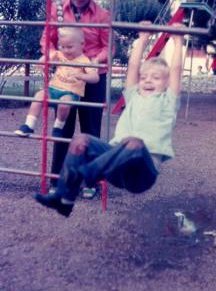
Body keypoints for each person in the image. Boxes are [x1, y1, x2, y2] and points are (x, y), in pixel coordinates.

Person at [34, 23, 185, 217]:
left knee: (134, 142)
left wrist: (179, 41)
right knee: (81, 141)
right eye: (145, 77)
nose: (148, 80)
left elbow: (176, 71)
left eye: (156, 78)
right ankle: (64, 199)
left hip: (142, 173)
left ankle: (86, 174)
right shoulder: (133, 96)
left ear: (166, 84)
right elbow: (133, 67)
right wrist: (143, 38)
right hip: (116, 165)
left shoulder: (168, 102)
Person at [40, 0, 111, 197]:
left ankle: (90, 181)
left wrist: (93, 61)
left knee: (90, 131)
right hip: (66, 78)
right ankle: (56, 179)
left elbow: (108, 47)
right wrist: (51, 54)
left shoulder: (102, 15)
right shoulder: (57, 10)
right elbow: (47, 39)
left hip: (92, 78)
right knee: (63, 128)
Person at [15, 27, 99, 138]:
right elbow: (46, 58)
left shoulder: (84, 60)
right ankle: (29, 126)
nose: (66, 50)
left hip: (70, 93)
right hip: (53, 89)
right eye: (62, 46)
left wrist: (82, 76)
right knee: (38, 96)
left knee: (64, 104)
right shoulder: (60, 55)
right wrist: (43, 63)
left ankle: (58, 128)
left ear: (82, 44)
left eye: (70, 47)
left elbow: (95, 77)